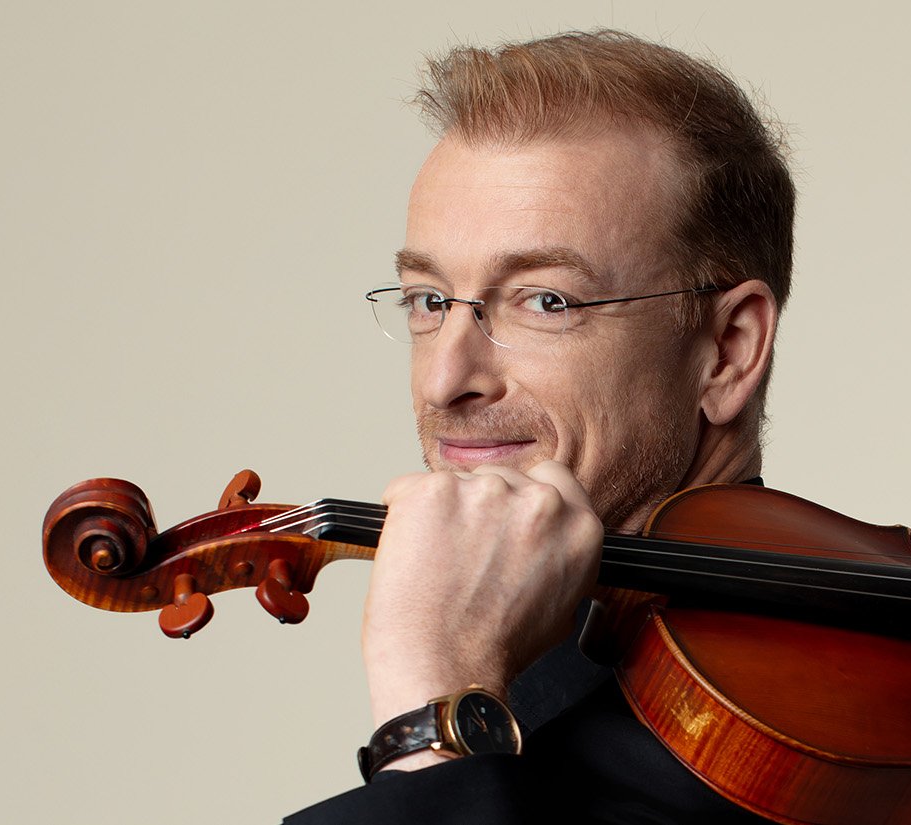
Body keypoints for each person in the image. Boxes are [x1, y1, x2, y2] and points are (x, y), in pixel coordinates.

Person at [285, 30, 794, 824]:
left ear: (727, 350)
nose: (447, 380)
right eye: (429, 300)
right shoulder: (531, 699)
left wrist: (433, 699)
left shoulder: (831, 755)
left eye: (546, 301)